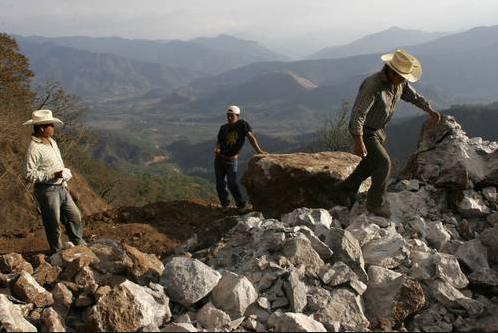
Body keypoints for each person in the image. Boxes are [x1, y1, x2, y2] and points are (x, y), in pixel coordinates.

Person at [332, 49, 441, 218]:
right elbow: (358, 114)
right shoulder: (373, 86)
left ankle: (344, 189)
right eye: (400, 76)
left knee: (371, 162)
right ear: (391, 70)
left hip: (377, 131)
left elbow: (413, 97)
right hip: (365, 131)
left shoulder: (399, 83)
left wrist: (429, 109)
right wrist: (359, 140)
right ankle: (375, 204)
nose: (403, 80)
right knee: (383, 162)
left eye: (405, 77)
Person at [23, 109, 86, 254]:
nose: (54, 127)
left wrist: (64, 179)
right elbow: (28, 174)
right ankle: (56, 252)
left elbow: (57, 164)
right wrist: (53, 174)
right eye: (51, 125)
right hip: (47, 190)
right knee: (53, 223)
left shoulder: (52, 142)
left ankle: (79, 245)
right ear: (42, 128)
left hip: (60, 187)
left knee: (74, 215)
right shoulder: (34, 149)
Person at [215, 105, 267, 212]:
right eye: (228, 116)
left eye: (231, 116)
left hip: (231, 160)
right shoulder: (223, 127)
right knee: (220, 183)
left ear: (237, 116)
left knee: (231, 183)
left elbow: (250, 137)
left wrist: (259, 151)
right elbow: (219, 141)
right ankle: (225, 205)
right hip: (219, 159)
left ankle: (241, 204)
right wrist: (216, 148)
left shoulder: (242, 124)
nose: (229, 118)